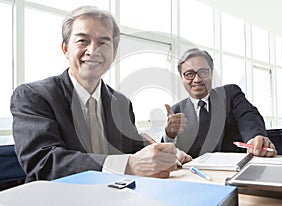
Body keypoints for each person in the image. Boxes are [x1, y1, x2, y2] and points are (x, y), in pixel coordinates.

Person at [10, 6, 191, 182]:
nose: (93, 50)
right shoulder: (33, 96)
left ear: (113, 54)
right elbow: (43, 162)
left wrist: (164, 153)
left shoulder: (120, 102)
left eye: (103, 43)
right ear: (65, 48)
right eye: (83, 41)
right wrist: (126, 165)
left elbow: (135, 147)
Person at [163, 48, 277, 158]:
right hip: (195, 174)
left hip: (236, 170)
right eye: (189, 74)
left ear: (211, 73)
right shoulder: (176, 111)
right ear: (181, 77)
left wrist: (255, 137)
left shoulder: (230, 94)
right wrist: (169, 136)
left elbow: (248, 116)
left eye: (203, 72)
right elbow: (165, 153)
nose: (197, 79)